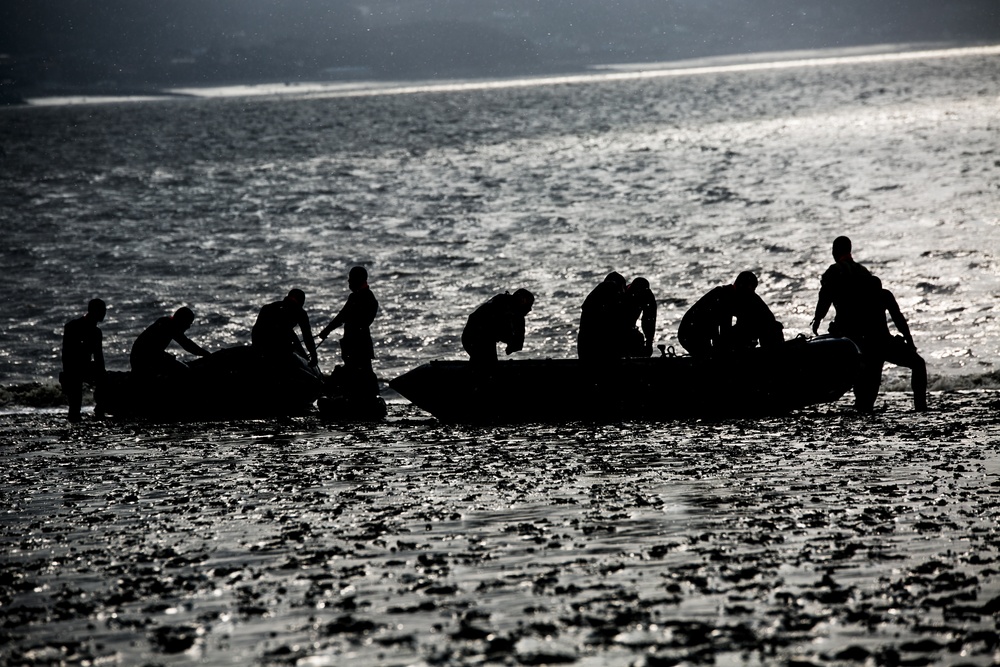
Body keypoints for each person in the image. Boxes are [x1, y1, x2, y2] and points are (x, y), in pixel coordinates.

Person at [853, 277, 928, 413]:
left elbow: (898, 319)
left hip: (876, 344)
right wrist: (909, 340)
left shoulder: (870, 297)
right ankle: (920, 406)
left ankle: (920, 406)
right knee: (872, 381)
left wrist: (909, 340)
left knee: (872, 380)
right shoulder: (878, 296)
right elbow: (898, 319)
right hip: (875, 345)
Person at [677, 271, 783, 357]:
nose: (751, 293)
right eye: (749, 290)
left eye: (752, 290)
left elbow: (767, 318)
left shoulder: (748, 297)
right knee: (715, 354)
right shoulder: (724, 297)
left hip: (703, 333)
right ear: (741, 287)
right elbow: (722, 333)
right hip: (691, 334)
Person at [318, 267, 379, 399]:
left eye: (351, 279)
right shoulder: (355, 297)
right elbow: (342, 316)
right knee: (358, 371)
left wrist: (327, 330)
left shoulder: (367, 298)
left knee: (362, 371)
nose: (348, 281)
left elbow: (354, 319)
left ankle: (368, 399)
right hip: (352, 342)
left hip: (359, 343)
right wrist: (326, 331)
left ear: (359, 280)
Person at [811, 235, 874, 341]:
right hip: (867, 327)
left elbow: (825, 299)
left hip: (845, 326)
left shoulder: (834, 271)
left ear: (835, 251)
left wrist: (817, 320)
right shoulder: (864, 271)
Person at [130, 307, 211, 377]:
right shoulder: (169, 325)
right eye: (188, 323)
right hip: (143, 361)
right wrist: (207, 354)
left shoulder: (166, 322)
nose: (188, 327)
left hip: (141, 358)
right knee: (184, 372)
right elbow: (187, 345)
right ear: (182, 320)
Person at [60, 298, 107, 422]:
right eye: (102, 311)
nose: (104, 313)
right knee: (75, 407)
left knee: (104, 380)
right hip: (73, 368)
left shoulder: (96, 332)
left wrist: (102, 374)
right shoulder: (73, 327)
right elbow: (66, 354)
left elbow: (98, 357)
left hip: (83, 366)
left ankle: (99, 410)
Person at [462, 288, 535, 364]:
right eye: (527, 304)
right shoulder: (503, 305)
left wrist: (513, 344)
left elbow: (518, 340)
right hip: (475, 336)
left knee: (485, 364)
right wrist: (511, 342)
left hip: (483, 337)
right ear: (520, 301)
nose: (530, 309)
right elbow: (498, 329)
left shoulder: (515, 312)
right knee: (486, 364)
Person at [251, 288, 318, 366]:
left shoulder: (268, 307)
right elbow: (306, 336)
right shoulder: (299, 312)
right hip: (271, 345)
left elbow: (301, 335)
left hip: (268, 344)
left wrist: (310, 356)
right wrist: (313, 356)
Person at [577, 272, 627, 360]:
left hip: (586, 347)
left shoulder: (597, 294)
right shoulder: (611, 288)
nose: (624, 292)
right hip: (600, 348)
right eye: (623, 288)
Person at [622, 277, 657, 357]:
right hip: (615, 330)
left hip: (631, 329)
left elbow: (649, 319)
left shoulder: (647, 296)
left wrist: (649, 342)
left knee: (638, 340)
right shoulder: (622, 294)